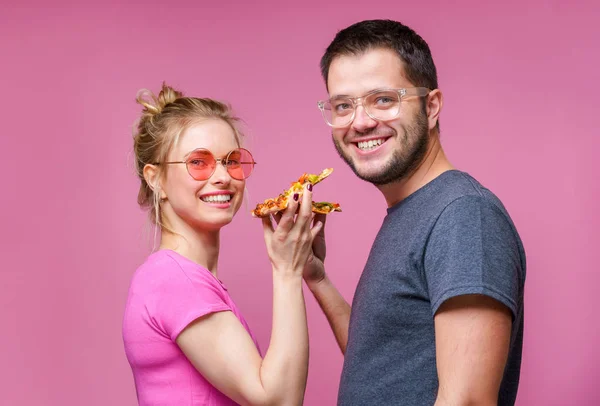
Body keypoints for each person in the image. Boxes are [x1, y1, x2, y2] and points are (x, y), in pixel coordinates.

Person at [303, 20, 526, 405]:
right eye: (343, 105)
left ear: (432, 105)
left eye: (383, 99)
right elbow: (380, 364)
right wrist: (317, 277)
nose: (360, 122)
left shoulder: (464, 216)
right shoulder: (414, 211)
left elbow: (467, 401)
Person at [122, 83, 322, 405]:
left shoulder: (182, 277)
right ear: (155, 179)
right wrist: (287, 271)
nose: (223, 177)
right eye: (198, 162)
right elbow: (279, 400)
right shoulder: (176, 280)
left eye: (231, 161)